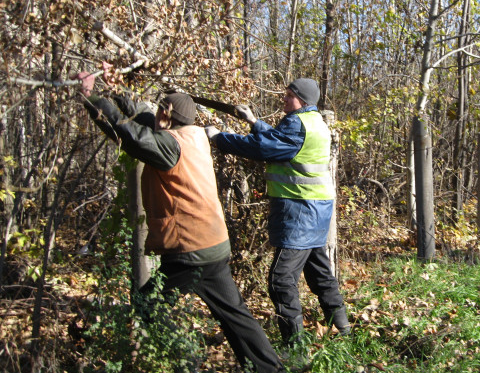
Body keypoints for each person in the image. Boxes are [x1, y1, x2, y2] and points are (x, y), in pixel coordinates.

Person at [74, 67, 285, 373]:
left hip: (190, 251)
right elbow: (143, 120)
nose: (155, 113)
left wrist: (91, 97)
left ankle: (188, 361)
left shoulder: (169, 146)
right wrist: (116, 88)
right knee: (235, 315)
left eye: (160, 109)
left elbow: (129, 135)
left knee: (147, 306)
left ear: (168, 114)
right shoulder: (193, 135)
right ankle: (271, 369)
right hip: (212, 244)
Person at [204, 78, 350, 346]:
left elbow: (263, 148)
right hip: (317, 212)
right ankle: (342, 330)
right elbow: (280, 140)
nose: (283, 99)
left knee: (280, 280)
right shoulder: (314, 122)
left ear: (302, 100)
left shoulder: (296, 124)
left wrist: (219, 138)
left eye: (289, 95)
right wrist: (253, 121)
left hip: (299, 211)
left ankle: (295, 348)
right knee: (320, 274)